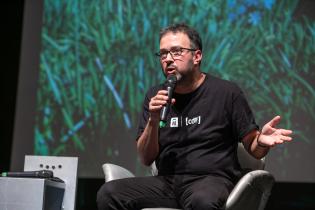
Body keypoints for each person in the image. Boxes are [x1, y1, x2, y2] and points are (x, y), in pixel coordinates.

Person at [97, 23, 293, 210]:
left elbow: (254, 150)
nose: (168, 59)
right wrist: (153, 120)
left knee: (202, 200)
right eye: (163, 53)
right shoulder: (156, 95)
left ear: (197, 56)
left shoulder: (226, 92)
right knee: (109, 193)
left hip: (211, 179)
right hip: (168, 182)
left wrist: (262, 141)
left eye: (176, 51)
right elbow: (145, 158)